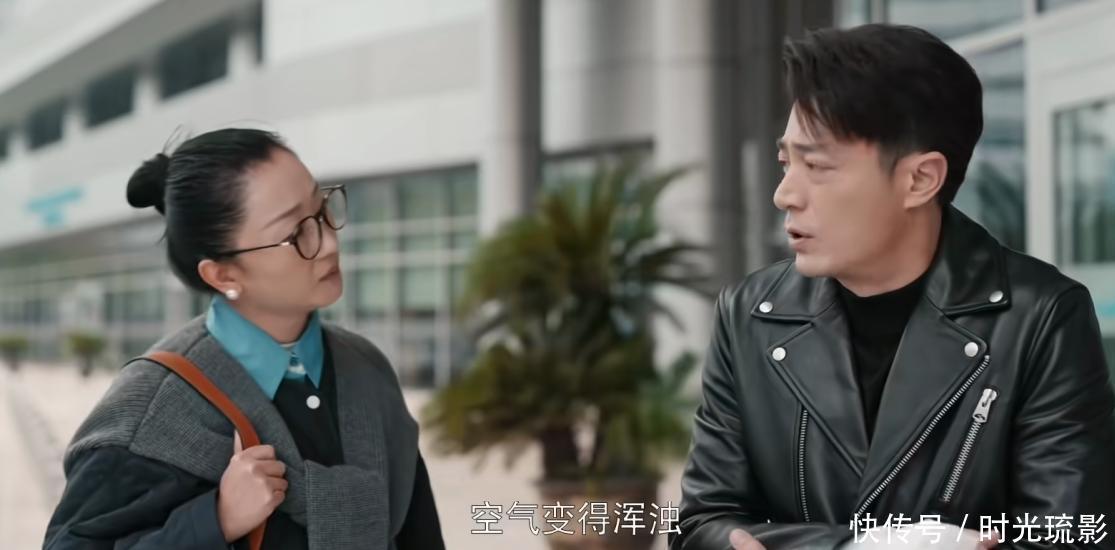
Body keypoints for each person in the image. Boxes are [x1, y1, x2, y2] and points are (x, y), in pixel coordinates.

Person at [672, 24, 1115, 550]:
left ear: (920, 180)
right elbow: (702, 523)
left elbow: (1069, 537)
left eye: (817, 165)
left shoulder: (1038, 319)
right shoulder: (749, 314)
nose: (785, 194)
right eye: (786, 162)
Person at [43, 128, 445, 550]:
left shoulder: (366, 368)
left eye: (323, 209)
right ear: (223, 275)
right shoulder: (152, 410)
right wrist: (215, 520)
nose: (328, 242)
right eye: (297, 233)